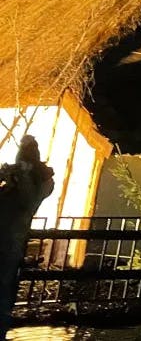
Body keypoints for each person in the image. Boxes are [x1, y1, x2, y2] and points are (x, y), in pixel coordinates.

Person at [0, 136, 54, 337]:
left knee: (4, 290)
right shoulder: (13, 181)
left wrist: (22, 176)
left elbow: (29, 200)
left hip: (11, 242)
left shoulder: (40, 180)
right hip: (8, 239)